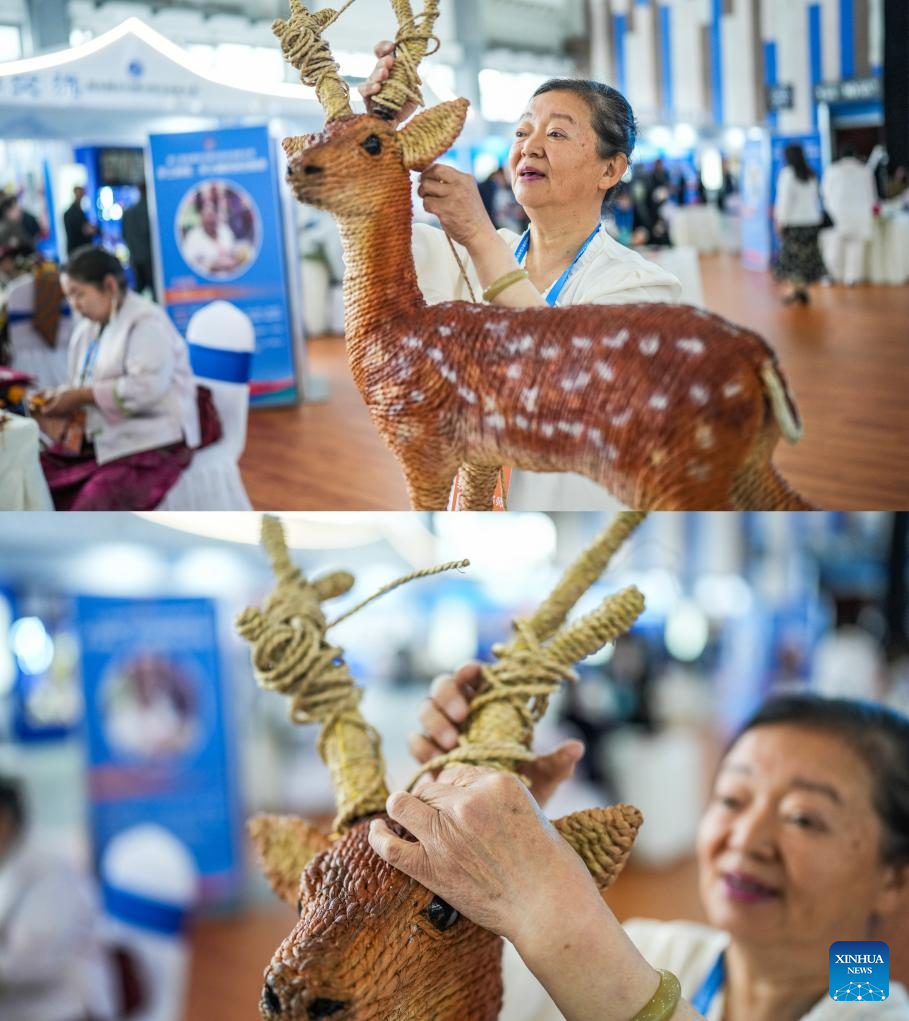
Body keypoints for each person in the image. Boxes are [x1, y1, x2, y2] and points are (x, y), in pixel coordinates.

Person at [374, 669, 909, 1021]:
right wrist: (479, 823)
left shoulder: (871, 1000)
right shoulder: (659, 951)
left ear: (895, 877)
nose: (746, 839)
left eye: (804, 818)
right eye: (732, 799)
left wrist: (553, 912)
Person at [360, 47, 681, 511]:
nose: (529, 146)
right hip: (469, 499)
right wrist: (380, 132)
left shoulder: (643, 287)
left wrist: (478, 233)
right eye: (522, 131)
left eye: (556, 133)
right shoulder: (474, 253)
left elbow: (564, 374)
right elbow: (371, 243)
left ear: (610, 170)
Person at [36, 246, 200, 510]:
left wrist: (81, 396)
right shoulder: (88, 329)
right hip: (110, 432)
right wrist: (61, 403)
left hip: (155, 438)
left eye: (79, 294)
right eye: (69, 297)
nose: (74, 305)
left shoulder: (146, 322)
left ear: (109, 285)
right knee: (40, 475)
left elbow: (147, 388)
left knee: (94, 498)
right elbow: (82, 379)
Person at [0, 776, 116, 1021]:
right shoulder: (8, 863)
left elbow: (36, 959)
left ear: (6, 819)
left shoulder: (48, 866)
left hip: (61, 1011)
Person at [773, 145, 826, 306]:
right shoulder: (811, 174)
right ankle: (801, 291)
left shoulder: (787, 174)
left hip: (794, 223)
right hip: (811, 222)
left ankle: (795, 291)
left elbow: (784, 201)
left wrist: (780, 221)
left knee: (793, 260)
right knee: (807, 258)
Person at [821, 146, 877, 287]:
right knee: (856, 247)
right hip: (860, 215)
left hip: (837, 214)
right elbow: (872, 195)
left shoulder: (832, 170)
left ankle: (830, 276)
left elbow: (824, 193)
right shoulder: (865, 170)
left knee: (833, 248)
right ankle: (851, 278)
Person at [181, 191, 242, 277]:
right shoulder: (193, 237)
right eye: (208, 216)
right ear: (201, 217)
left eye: (213, 215)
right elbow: (190, 264)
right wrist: (213, 266)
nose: (211, 220)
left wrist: (234, 261)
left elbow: (234, 252)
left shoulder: (225, 231)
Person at [121, 183, 154, 295]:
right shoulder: (152, 211)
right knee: (155, 289)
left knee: (138, 290)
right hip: (151, 258)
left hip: (135, 257)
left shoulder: (128, 213)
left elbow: (124, 235)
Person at [63, 185, 98, 257]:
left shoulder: (79, 211)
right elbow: (84, 229)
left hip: (79, 249)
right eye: (80, 193)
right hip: (77, 250)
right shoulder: (71, 213)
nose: (81, 196)